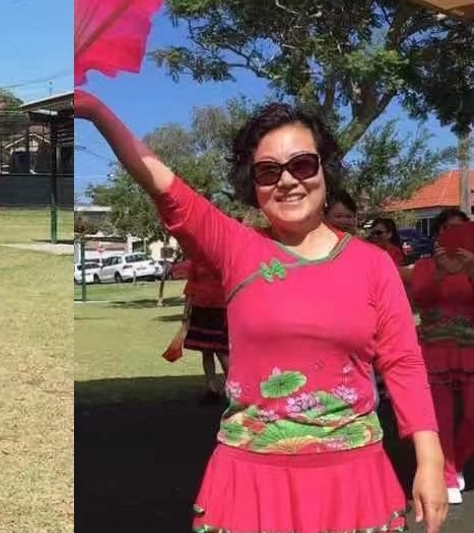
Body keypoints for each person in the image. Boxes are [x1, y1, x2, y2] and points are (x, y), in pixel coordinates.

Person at [75, 90, 447, 532]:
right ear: (253, 184)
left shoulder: (373, 266)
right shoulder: (237, 249)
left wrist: (430, 459)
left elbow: (403, 363)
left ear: (325, 171)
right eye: (268, 172)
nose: (287, 181)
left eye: (302, 165)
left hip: (352, 483)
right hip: (251, 482)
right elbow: (160, 182)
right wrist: (96, 109)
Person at [402, 213, 474, 505]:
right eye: (446, 229)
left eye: (459, 229)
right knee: (439, 420)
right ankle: (446, 475)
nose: (452, 234)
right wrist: (440, 273)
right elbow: (420, 298)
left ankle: (454, 463)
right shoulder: (424, 267)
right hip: (434, 352)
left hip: (470, 353)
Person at [182, 259, 230, 404]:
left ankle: (232, 387)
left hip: (220, 308)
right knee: (206, 350)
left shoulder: (224, 259)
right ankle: (212, 389)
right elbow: (191, 284)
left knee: (222, 351)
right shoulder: (197, 260)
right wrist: (186, 310)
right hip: (200, 308)